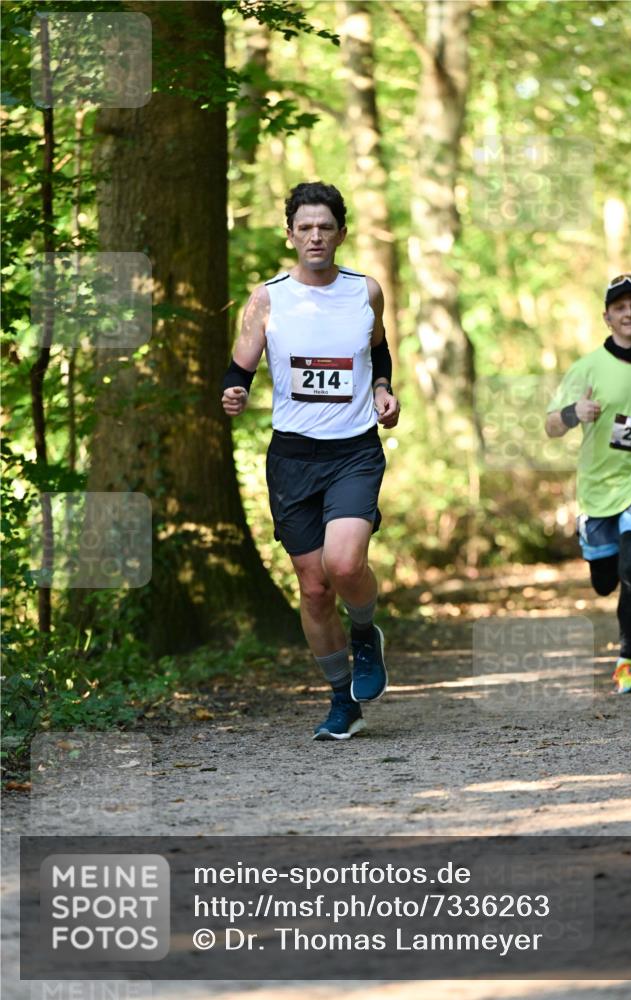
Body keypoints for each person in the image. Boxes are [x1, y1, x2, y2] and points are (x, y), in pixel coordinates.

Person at [222, 182, 400, 738]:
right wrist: (235, 391)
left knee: (344, 566)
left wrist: (384, 390)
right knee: (314, 587)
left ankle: (366, 632)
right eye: (306, 227)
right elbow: (241, 366)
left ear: (341, 234)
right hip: (293, 457)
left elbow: (378, 351)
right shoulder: (268, 298)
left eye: (326, 227)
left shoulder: (365, 292)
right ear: (291, 235)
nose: (316, 236)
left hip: (353, 451)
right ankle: (340, 700)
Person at [545, 274, 631, 693]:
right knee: (604, 580)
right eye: (620, 308)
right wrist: (572, 412)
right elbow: (550, 427)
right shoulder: (587, 368)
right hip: (598, 489)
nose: (629, 313)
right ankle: (603, 558)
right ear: (607, 317)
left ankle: (626, 663)